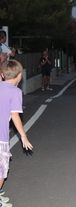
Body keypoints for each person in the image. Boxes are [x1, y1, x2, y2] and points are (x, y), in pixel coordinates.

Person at [0, 60, 33, 206]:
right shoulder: (15, 92)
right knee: (1, 170)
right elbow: (15, 115)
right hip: (0, 138)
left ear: (2, 75)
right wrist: (23, 136)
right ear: (20, 75)